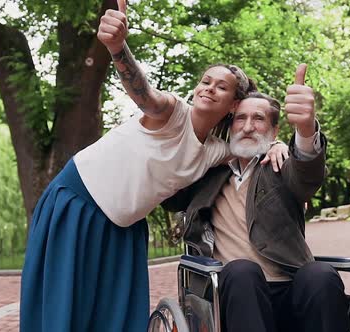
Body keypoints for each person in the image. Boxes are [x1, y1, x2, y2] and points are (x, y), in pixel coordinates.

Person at [19, 1, 286, 331]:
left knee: (114, 317)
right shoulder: (173, 112)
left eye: (221, 86)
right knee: (66, 309)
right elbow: (144, 94)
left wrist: (277, 143)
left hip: (125, 223)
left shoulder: (216, 151)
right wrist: (118, 48)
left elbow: (251, 142)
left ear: (232, 104)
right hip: (78, 202)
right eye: (206, 81)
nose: (209, 88)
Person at [163, 65, 350, 332]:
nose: (248, 127)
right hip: (232, 291)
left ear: (274, 132)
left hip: (290, 287)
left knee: (319, 274)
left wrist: (306, 130)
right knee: (243, 271)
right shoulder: (207, 172)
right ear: (231, 125)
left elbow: (306, 176)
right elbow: (170, 197)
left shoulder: (281, 163)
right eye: (241, 119)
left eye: (259, 119)